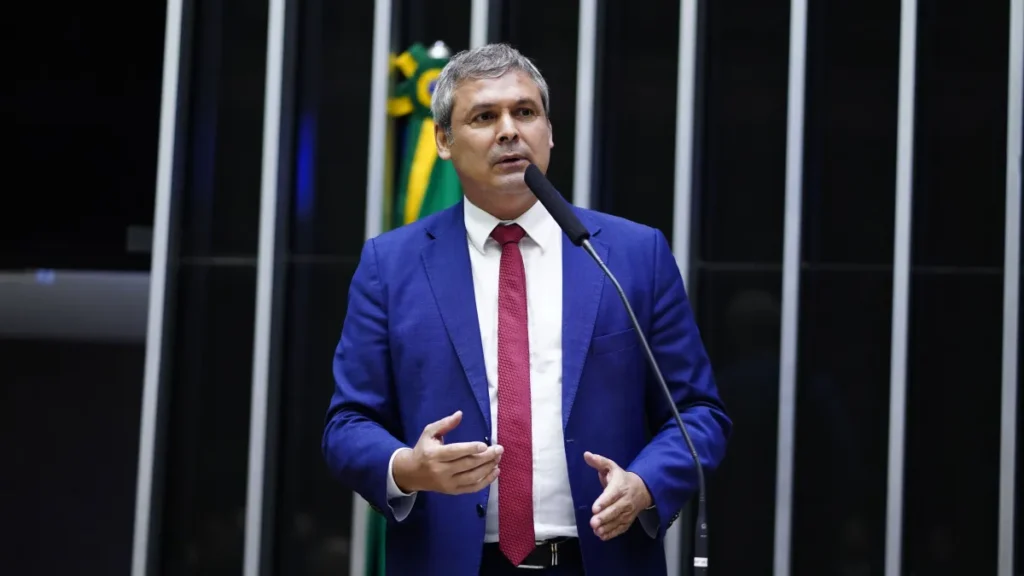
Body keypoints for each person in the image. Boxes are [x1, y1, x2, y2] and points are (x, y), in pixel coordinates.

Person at [323, 43, 731, 576]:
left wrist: (647, 484)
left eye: (525, 112)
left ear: (550, 132)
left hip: (597, 559)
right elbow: (347, 424)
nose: (510, 130)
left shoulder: (631, 256)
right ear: (444, 140)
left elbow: (698, 413)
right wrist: (407, 467)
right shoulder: (391, 265)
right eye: (484, 117)